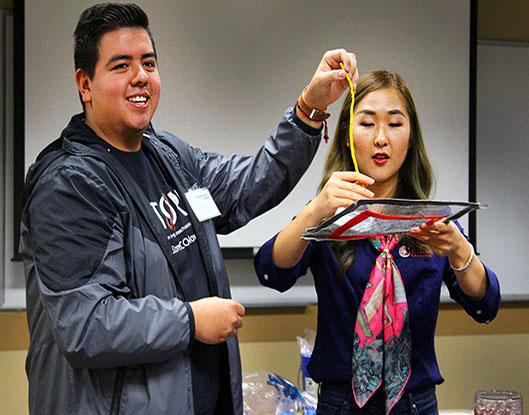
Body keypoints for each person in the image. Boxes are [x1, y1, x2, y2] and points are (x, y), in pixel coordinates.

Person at [19, 3, 358, 415]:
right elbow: (86, 325)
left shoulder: (168, 156)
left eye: (148, 62)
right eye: (121, 65)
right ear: (85, 84)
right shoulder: (68, 184)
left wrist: (309, 108)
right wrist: (191, 321)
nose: (140, 76)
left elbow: (247, 185)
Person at [254, 70, 501, 414]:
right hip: (340, 403)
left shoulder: (431, 221)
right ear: (346, 136)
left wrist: (460, 250)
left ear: (412, 137)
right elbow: (271, 271)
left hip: (415, 403)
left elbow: (485, 304)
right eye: (367, 124)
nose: (381, 138)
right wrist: (315, 211)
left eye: (395, 124)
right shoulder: (329, 218)